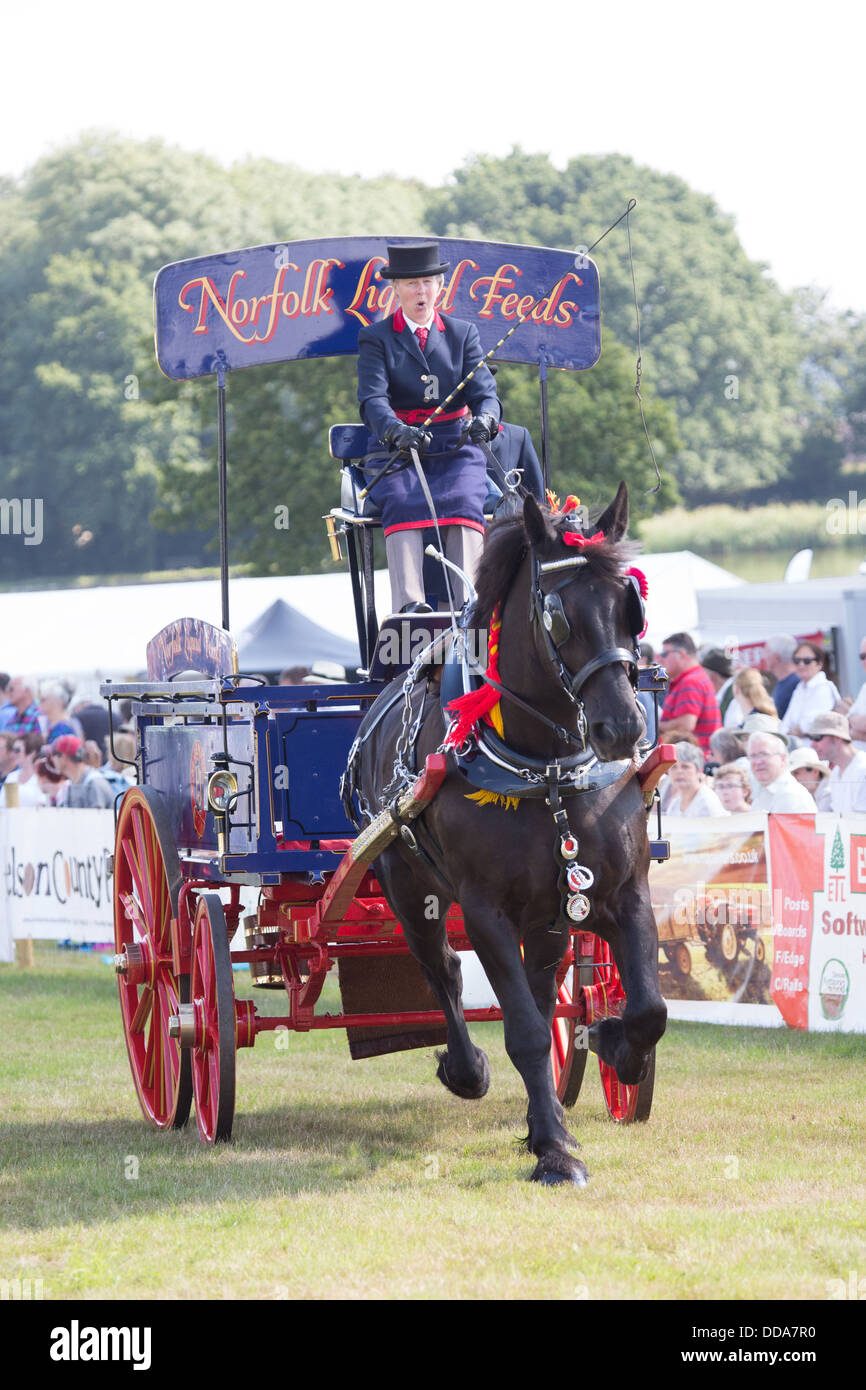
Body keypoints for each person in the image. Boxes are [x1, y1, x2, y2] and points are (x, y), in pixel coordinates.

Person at [357, 241, 500, 615]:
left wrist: (486, 418)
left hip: (454, 446)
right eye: (411, 284)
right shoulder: (376, 338)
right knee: (402, 501)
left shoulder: (462, 334)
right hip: (399, 449)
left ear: (439, 287)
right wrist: (394, 431)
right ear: (395, 290)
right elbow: (372, 400)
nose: (420, 292)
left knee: (465, 500)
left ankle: (470, 604)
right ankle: (410, 607)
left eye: (427, 283)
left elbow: (486, 392)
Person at [658, 632, 721, 754]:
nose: (660, 659)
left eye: (665, 654)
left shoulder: (690, 681)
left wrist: (656, 727)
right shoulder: (693, 678)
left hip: (693, 759)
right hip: (694, 759)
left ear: (681, 654)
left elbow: (685, 726)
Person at [806, 712, 866, 814]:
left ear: (837, 737)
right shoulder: (835, 773)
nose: (812, 744)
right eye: (811, 738)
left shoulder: (863, 770)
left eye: (817, 738)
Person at [780, 641, 840, 740]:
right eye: (797, 660)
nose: (801, 665)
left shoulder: (825, 687)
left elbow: (818, 721)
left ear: (819, 664)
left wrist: (801, 729)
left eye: (807, 661)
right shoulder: (799, 689)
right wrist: (791, 731)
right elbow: (786, 723)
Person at [747, 731, 816, 812]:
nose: (757, 762)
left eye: (764, 754)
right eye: (753, 756)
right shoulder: (762, 792)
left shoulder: (792, 795)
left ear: (782, 759)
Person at [47, 735, 115, 808]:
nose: (51, 759)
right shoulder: (70, 784)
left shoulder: (94, 783)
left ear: (64, 757)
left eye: (53, 754)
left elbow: (97, 818)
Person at [665, 742, 727, 816]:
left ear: (699, 770)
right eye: (673, 767)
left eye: (685, 767)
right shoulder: (675, 803)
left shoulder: (706, 802)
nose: (679, 771)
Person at [0, 732, 48, 807]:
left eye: (17, 750)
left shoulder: (44, 777)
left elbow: (46, 803)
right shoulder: (11, 777)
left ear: (32, 752)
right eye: (12, 750)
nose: (13, 754)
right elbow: (2, 804)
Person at [701, 649, 740, 727]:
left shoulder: (734, 693)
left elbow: (733, 729)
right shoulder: (729, 691)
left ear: (712, 676)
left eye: (703, 674)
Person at [765, 635, 799, 719]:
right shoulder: (787, 681)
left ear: (776, 657)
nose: (764, 657)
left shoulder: (796, 684)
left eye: (767, 653)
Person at [788, 746, 832, 811]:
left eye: (796, 773)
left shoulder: (828, 794)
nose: (792, 778)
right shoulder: (806, 795)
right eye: (791, 775)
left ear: (815, 772)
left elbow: (819, 820)